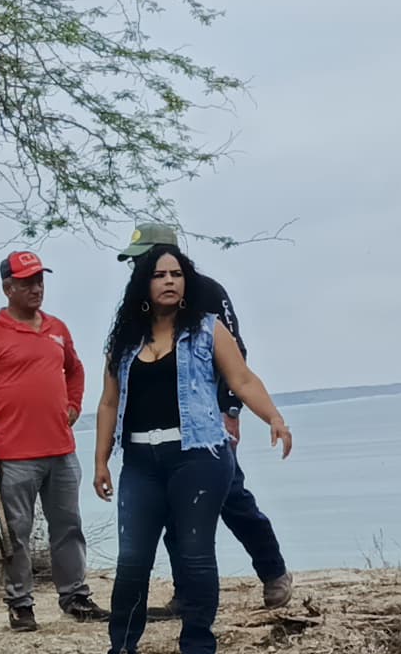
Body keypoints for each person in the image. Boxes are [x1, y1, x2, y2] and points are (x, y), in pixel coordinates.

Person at [89, 246, 294, 654]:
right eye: (159, 274)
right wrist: (100, 460)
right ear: (143, 283)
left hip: (198, 455)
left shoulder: (206, 329)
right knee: (133, 560)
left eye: (176, 274)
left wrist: (274, 418)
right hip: (140, 460)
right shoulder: (124, 339)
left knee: (195, 552)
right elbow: (108, 402)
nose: (169, 281)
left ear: (186, 283)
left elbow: (242, 379)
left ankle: (199, 649)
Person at [119, 221, 293, 610]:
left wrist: (231, 410)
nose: (138, 268)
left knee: (233, 497)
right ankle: (185, 592)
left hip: (207, 428)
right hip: (159, 436)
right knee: (171, 511)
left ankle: (273, 571)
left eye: (143, 259)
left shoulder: (206, 293)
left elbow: (237, 358)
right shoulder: (138, 302)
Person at [0, 249, 105, 633]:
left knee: (68, 526)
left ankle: (74, 596)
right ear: (7, 287)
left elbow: (75, 370)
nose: (36, 288)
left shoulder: (57, 328)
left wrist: (74, 405)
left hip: (60, 448)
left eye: (39, 281)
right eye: (27, 282)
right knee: (17, 534)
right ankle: (20, 604)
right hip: (14, 453)